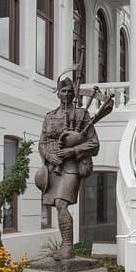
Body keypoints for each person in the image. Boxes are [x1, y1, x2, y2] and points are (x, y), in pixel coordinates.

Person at [35, 77, 100, 260]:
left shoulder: (82, 115)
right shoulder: (49, 116)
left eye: (70, 91)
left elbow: (94, 144)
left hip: (71, 166)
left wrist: (73, 151)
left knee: (62, 203)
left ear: (74, 93)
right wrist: (48, 155)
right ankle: (66, 246)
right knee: (57, 205)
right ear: (58, 93)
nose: (67, 94)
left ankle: (67, 247)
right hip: (52, 166)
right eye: (63, 91)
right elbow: (41, 143)